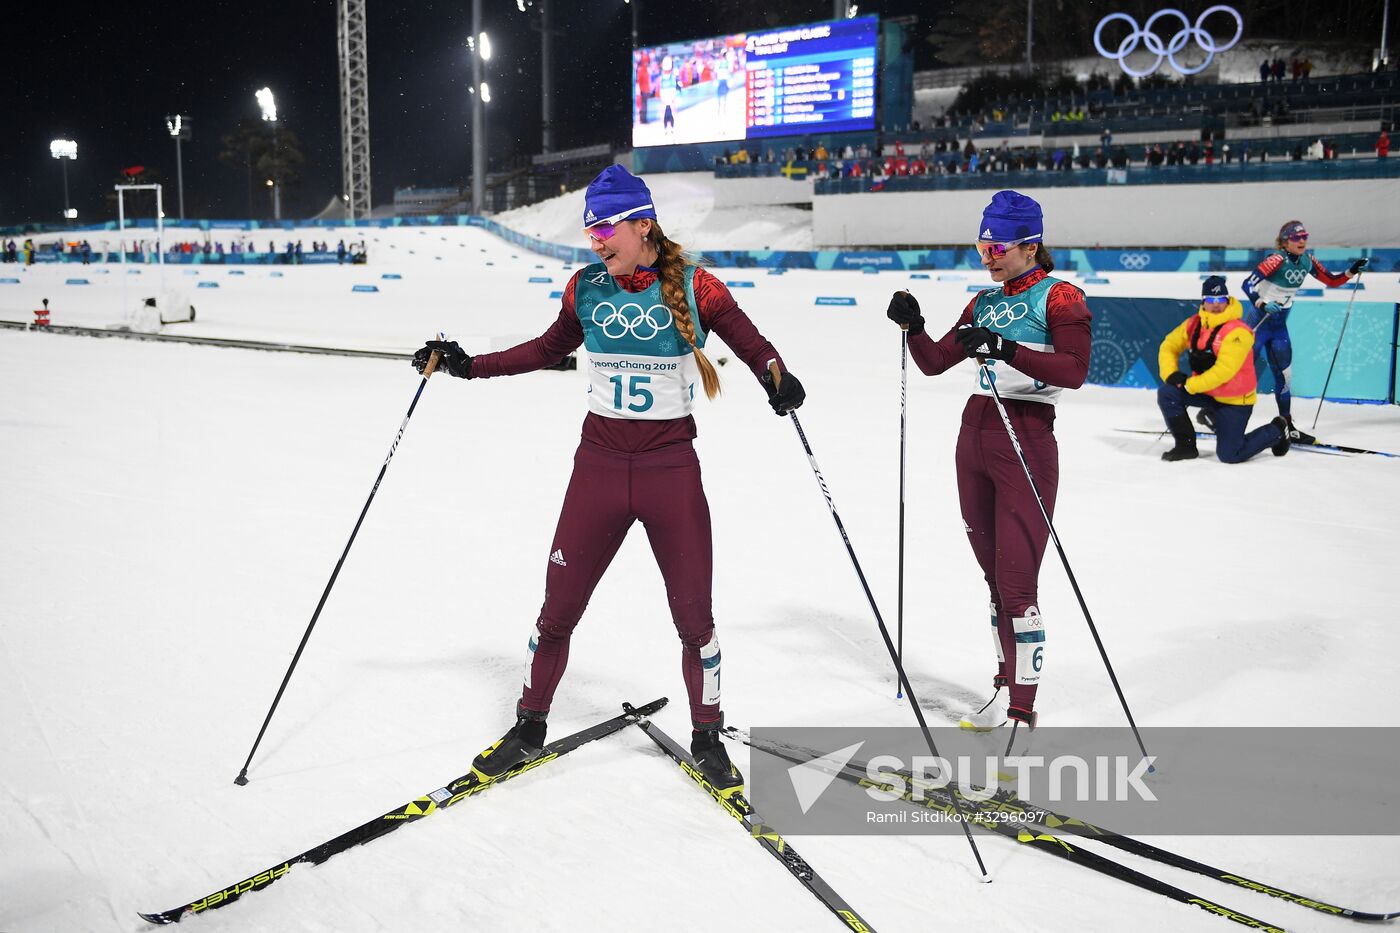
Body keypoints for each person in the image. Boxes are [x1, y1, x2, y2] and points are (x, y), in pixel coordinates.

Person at [411, 166, 806, 792]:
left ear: (642, 223)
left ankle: (708, 735)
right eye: (589, 228)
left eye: (605, 227)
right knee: (557, 610)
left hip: (669, 468)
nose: (595, 239)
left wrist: (776, 377)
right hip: (597, 466)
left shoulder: (698, 288)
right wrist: (468, 365)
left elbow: (754, 344)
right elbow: (543, 351)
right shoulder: (585, 288)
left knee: (693, 616)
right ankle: (529, 726)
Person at [883, 190, 1092, 733]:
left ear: (1030, 245)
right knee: (994, 578)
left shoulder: (1061, 296)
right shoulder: (982, 301)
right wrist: (914, 328)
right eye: (982, 243)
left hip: (1025, 435)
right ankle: (1004, 687)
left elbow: (1073, 370)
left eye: (998, 245)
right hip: (974, 433)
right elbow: (933, 363)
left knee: (1020, 583)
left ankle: (1024, 713)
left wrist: (1005, 349)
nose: (987, 254)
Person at [1238, 221, 1367, 443]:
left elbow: (1332, 281)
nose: (1302, 241)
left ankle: (1287, 425)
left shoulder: (1307, 261)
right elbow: (1247, 284)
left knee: (1285, 378)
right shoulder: (1276, 259)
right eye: (1297, 238)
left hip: (1278, 329)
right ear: (1286, 241)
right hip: (1258, 325)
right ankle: (1219, 416)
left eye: (1305, 237)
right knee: (1239, 373)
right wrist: (1261, 303)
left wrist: (1351, 270)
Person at [1157, 276, 1289, 463]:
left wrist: (1190, 385)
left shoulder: (1237, 332)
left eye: (1221, 300)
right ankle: (1185, 446)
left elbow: (1224, 371)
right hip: (1208, 393)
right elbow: (1169, 345)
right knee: (1168, 393)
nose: (1217, 305)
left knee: (1229, 455)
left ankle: (1276, 430)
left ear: (1228, 301)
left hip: (1234, 400)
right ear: (1204, 302)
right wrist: (1170, 374)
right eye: (1211, 300)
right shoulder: (1194, 324)